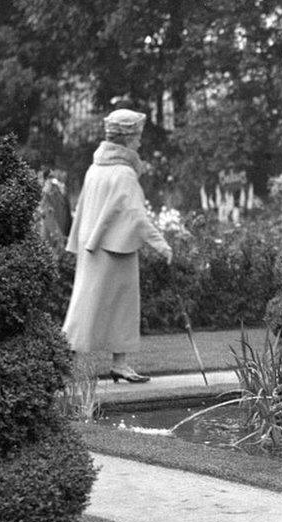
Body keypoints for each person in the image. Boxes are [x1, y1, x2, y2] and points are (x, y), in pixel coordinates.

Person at [63, 109, 173, 384]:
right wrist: (162, 246)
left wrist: (80, 242)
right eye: (137, 136)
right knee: (117, 306)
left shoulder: (95, 168)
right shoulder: (123, 172)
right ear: (126, 138)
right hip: (114, 249)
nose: (139, 142)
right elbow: (136, 214)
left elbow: (82, 207)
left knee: (88, 303)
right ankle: (104, 364)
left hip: (95, 248)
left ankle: (111, 365)